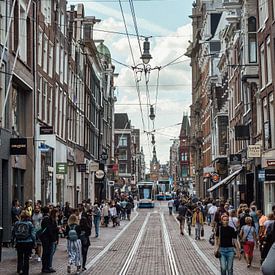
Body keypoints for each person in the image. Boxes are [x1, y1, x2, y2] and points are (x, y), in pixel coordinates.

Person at [13, 210, 36, 275]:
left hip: (19, 242)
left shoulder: (17, 223)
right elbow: (33, 235)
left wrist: (14, 241)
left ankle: (19, 269)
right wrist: (34, 242)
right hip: (28, 242)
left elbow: (14, 233)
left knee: (20, 257)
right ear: (28, 216)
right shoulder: (30, 223)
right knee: (26, 258)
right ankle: (25, 272)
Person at [40, 206, 56, 273]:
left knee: (45, 253)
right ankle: (45, 268)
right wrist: (53, 238)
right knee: (47, 253)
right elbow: (49, 229)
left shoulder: (43, 218)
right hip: (47, 238)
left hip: (45, 238)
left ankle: (45, 267)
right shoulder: (47, 219)